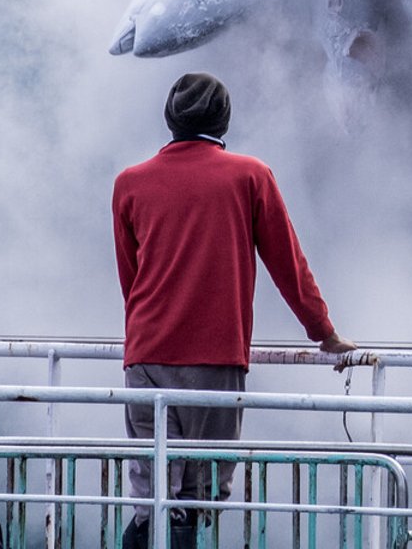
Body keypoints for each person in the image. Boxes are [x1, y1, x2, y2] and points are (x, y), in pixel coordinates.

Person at [112, 72, 356, 549]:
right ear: (223, 118)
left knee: (155, 492)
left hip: (144, 355)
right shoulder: (249, 176)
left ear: (171, 118)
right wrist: (323, 332)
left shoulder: (130, 183)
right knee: (200, 492)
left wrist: (148, 330)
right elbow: (289, 264)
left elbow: (131, 277)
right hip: (214, 357)